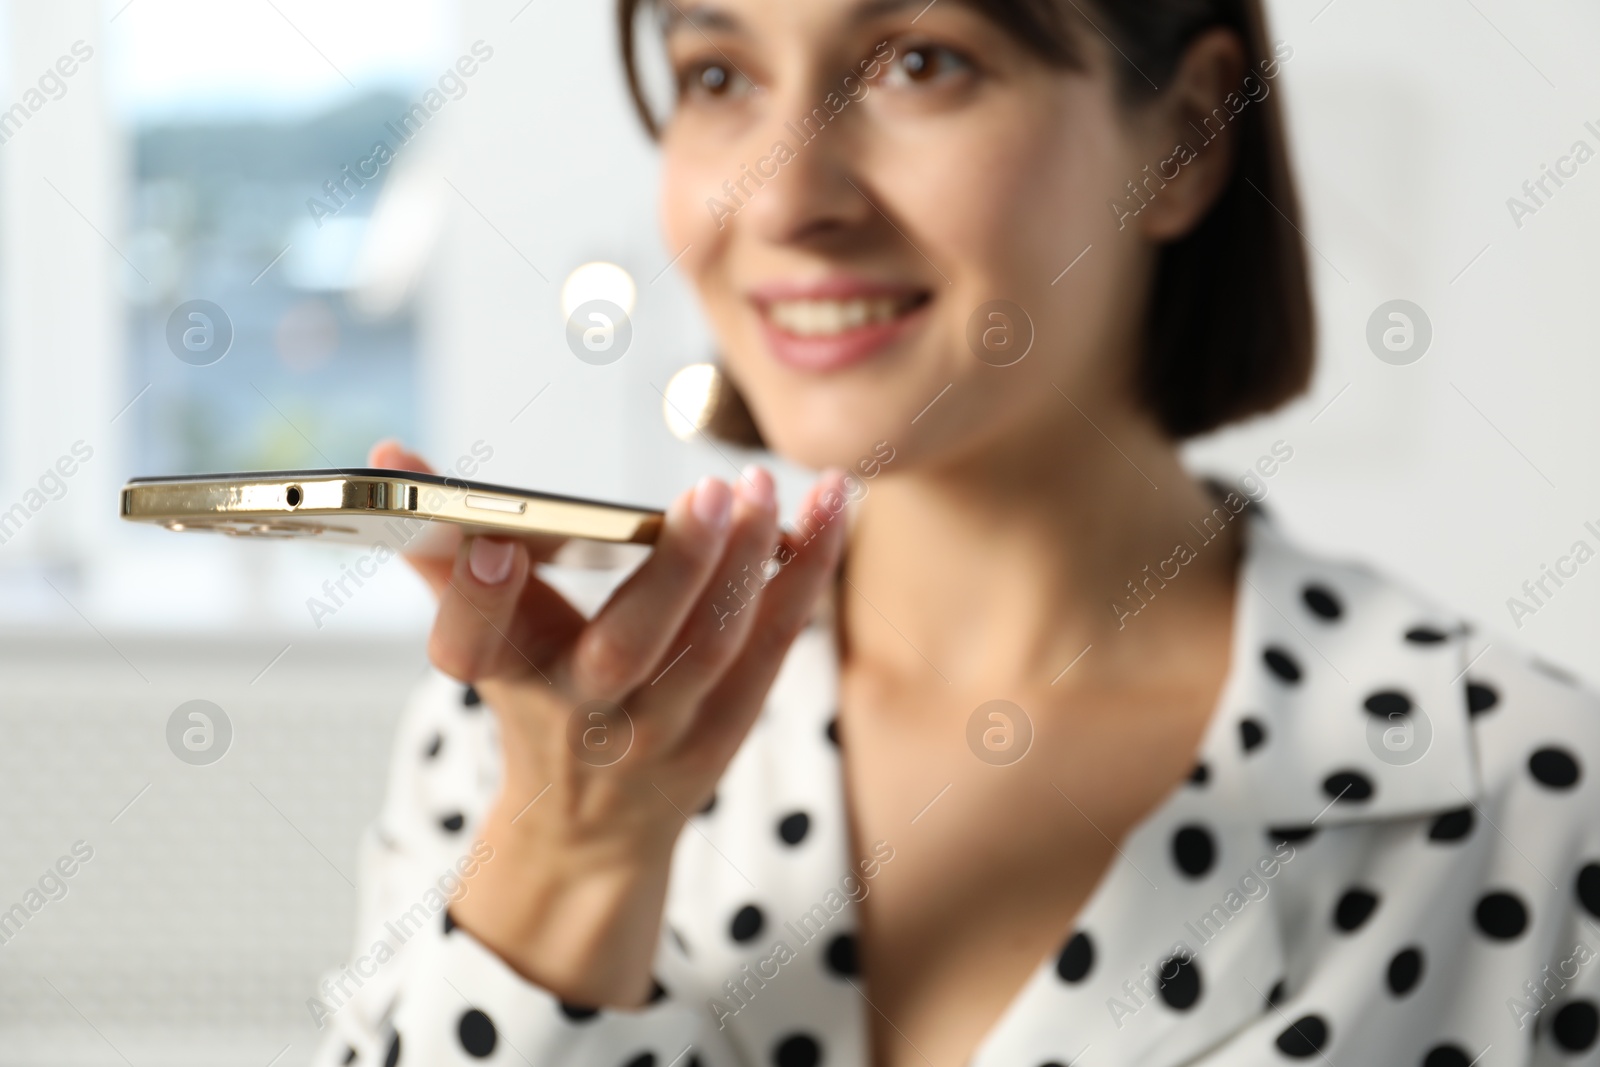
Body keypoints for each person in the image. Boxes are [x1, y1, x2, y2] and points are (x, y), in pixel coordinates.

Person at [314, 1, 1600, 1064]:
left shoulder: (1520, 786)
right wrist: (574, 856)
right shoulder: (519, 728)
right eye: (716, 74)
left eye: (920, 62)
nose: (783, 194)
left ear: (1188, 138)